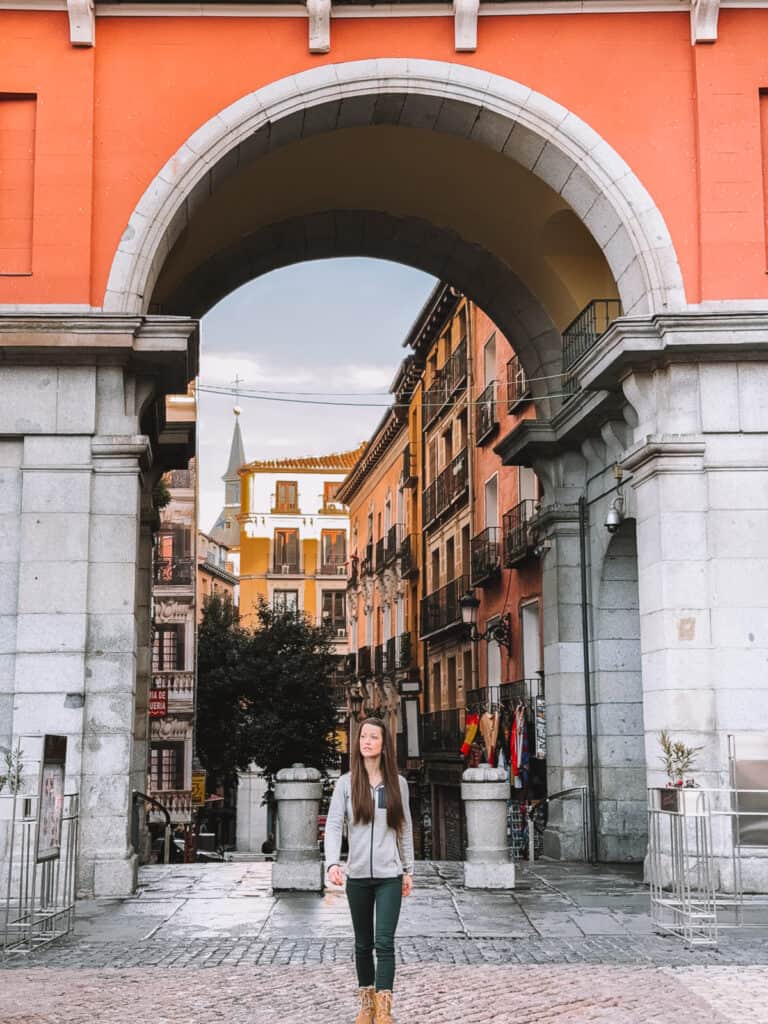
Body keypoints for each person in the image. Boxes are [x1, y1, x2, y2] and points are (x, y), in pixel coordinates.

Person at [324, 716, 414, 1024]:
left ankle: (384, 1010)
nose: (366, 741)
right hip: (358, 876)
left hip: (390, 876)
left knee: (384, 942)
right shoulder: (346, 784)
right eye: (363, 737)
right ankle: (366, 1005)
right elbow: (335, 825)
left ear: (383, 744)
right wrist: (332, 863)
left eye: (373, 737)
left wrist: (408, 868)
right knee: (362, 943)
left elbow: (404, 828)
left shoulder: (397, 784)